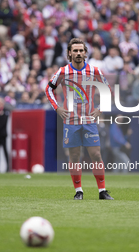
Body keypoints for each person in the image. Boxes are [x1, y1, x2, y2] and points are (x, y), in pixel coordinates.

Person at [45, 38, 114, 200]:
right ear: (69, 53)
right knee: (74, 156)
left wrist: (100, 109)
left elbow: (107, 90)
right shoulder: (62, 71)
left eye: (80, 51)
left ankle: (102, 191)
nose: (78, 53)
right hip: (71, 121)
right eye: (75, 51)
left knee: (96, 154)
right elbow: (48, 89)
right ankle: (79, 191)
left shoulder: (94, 71)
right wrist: (57, 108)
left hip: (89, 120)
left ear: (85, 53)